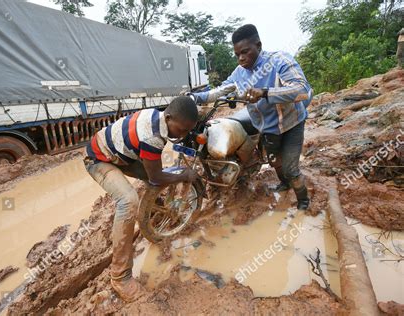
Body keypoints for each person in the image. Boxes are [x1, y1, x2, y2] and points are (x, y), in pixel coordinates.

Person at [84, 96, 198, 302]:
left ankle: (156, 217)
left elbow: (155, 175)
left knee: (154, 175)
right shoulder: (153, 137)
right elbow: (157, 177)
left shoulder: (159, 118)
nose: (183, 135)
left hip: (120, 152)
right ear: (169, 117)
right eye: (181, 130)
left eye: (188, 131)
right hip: (98, 158)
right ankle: (120, 277)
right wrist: (184, 175)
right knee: (128, 201)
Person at [190, 24, 313, 210]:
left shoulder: (279, 60)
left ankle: (303, 200)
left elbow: (302, 90)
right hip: (268, 128)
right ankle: (285, 184)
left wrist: (264, 92)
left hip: (292, 123)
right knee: (275, 161)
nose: (241, 58)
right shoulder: (239, 73)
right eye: (237, 54)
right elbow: (221, 89)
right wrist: (195, 97)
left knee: (291, 168)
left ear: (259, 45)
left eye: (245, 52)